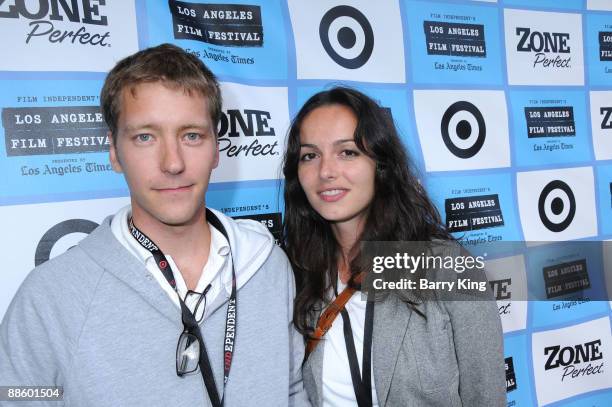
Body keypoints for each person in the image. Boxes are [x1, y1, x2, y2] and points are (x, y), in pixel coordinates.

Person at [0, 44, 308, 406]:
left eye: (191, 135)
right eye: (145, 137)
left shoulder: (269, 267)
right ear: (114, 152)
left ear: (215, 148)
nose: (172, 162)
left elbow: (290, 391)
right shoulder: (50, 296)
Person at [282, 87, 506, 406]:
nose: (326, 172)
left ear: (380, 164)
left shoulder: (450, 268)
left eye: (347, 152)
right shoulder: (297, 274)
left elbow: (486, 396)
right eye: (310, 155)